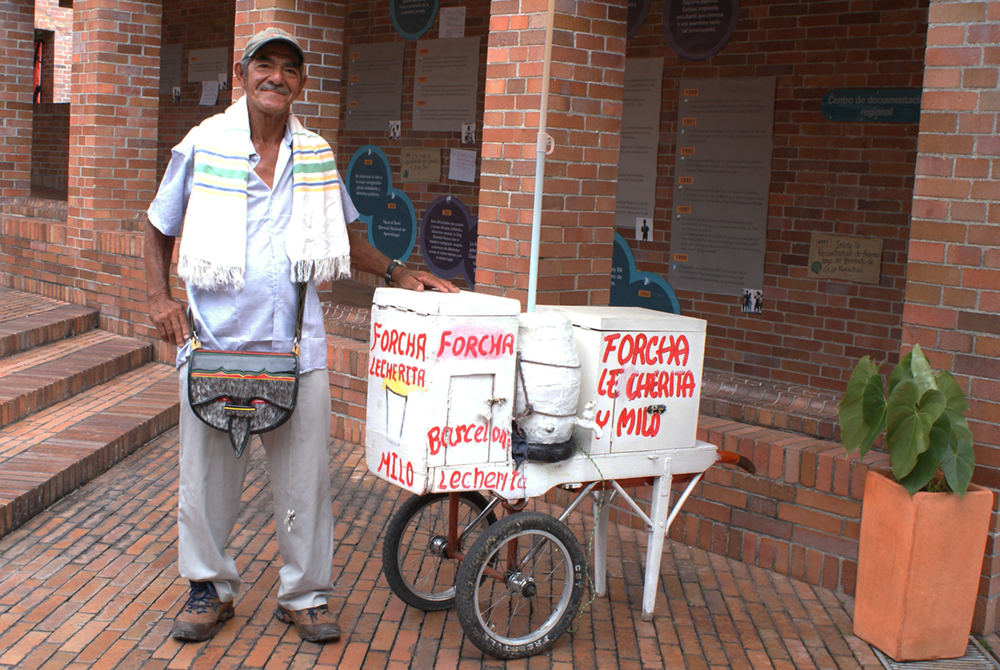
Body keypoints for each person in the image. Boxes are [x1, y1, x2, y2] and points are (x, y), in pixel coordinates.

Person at [144, 27, 458, 644]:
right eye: (266, 64)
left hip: (297, 349)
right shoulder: (203, 145)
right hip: (215, 345)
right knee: (205, 481)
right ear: (243, 74)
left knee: (305, 482)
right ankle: (208, 588)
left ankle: (305, 595)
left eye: (290, 69)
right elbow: (157, 226)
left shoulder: (313, 152)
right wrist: (157, 297)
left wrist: (398, 271)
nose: (276, 77)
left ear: (300, 84)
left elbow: (347, 236)